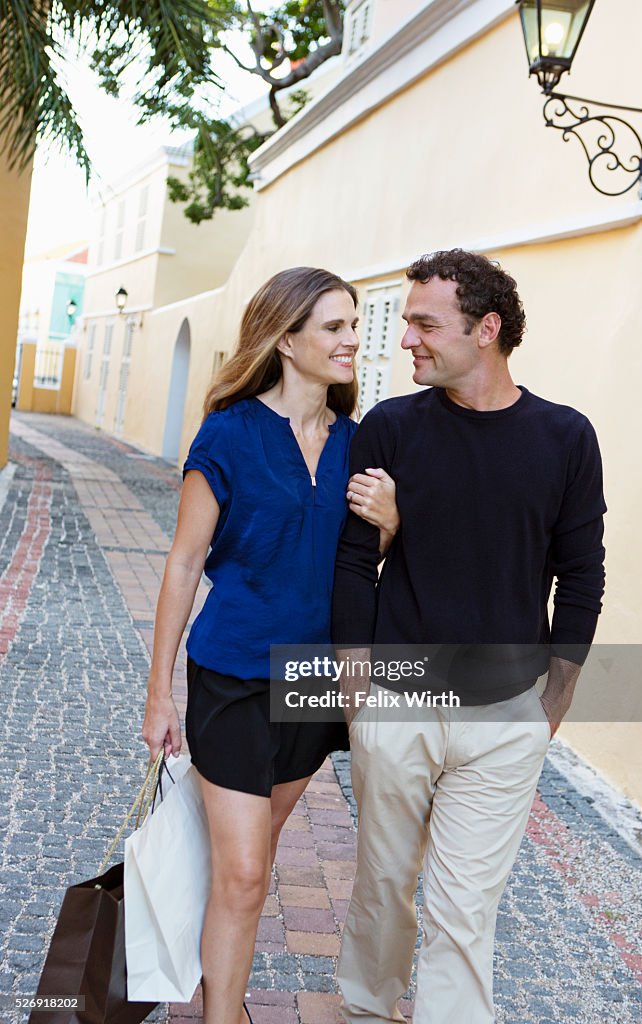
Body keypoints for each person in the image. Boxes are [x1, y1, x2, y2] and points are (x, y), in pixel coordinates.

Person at [332, 248, 606, 1024]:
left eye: (425, 322)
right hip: (397, 703)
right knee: (383, 885)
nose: (406, 338)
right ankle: (365, 1006)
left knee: (464, 906)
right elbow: (354, 565)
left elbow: (581, 574)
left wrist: (555, 699)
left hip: (503, 719)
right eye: (408, 321)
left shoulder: (564, 438)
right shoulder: (390, 428)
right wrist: (356, 693)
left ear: (487, 329)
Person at [142, 266, 399, 1024]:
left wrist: (392, 522)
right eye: (334, 327)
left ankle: (219, 978)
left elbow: (371, 564)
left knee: (240, 864)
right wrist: (160, 691)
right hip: (234, 674)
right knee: (248, 872)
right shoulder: (229, 432)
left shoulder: (362, 442)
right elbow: (185, 562)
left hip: (318, 684)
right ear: (285, 340)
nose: (353, 338)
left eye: (355, 324)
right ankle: (226, 1014)